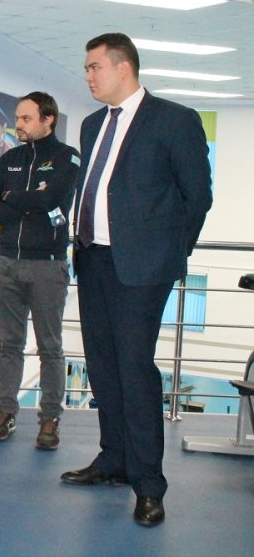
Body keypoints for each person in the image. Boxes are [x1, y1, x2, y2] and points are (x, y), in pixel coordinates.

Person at [62, 33, 212, 527]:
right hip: (93, 260)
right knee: (103, 366)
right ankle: (114, 459)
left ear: (123, 67)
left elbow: (198, 196)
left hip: (142, 268)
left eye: (94, 67)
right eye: (87, 68)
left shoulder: (174, 120)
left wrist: (170, 252)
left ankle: (148, 485)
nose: (88, 76)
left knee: (134, 368)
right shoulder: (92, 125)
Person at [0, 92, 80, 449]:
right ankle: (5, 412)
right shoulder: (10, 159)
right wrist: (28, 201)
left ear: (47, 119)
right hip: (6, 263)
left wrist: (11, 197)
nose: (18, 124)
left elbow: (52, 201)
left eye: (26, 119)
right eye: (17, 118)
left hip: (47, 266)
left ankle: (50, 419)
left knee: (50, 347)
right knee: (10, 344)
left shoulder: (68, 157)